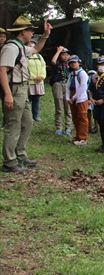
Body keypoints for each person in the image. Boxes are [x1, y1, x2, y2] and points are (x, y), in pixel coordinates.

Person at [1, 16, 52, 172]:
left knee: (27, 122)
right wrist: (8, 94)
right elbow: (2, 70)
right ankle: (9, 162)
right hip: (14, 89)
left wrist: (45, 35)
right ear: (23, 32)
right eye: (30, 31)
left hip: (23, 89)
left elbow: (36, 49)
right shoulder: (11, 48)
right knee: (13, 125)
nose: (32, 34)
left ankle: (20, 154)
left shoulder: (21, 47)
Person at [66, 55, 89, 146]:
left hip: (81, 97)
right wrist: (67, 97)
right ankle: (78, 135)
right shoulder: (71, 74)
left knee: (82, 117)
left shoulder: (82, 73)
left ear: (78, 62)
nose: (73, 64)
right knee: (75, 116)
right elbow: (67, 86)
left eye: (74, 62)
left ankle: (83, 137)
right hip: (72, 96)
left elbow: (83, 86)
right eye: (71, 63)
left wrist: (74, 97)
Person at [50, 45, 72, 135]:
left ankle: (68, 126)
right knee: (58, 106)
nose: (65, 56)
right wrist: (58, 51)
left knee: (68, 107)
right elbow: (53, 61)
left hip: (67, 84)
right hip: (58, 84)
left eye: (67, 55)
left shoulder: (70, 65)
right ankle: (59, 127)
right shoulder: (58, 64)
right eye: (63, 55)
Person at [26, 39, 46, 122]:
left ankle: (36, 115)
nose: (32, 45)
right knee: (28, 100)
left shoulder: (39, 56)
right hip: (30, 82)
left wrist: (42, 76)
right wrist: (33, 77)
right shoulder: (26, 56)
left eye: (33, 43)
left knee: (36, 99)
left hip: (39, 82)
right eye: (30, 43)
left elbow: (43, 66)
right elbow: (25, 68)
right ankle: (27, 116)